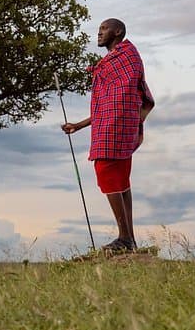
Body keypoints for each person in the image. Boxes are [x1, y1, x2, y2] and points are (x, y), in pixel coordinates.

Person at [62, 18, 154, 253]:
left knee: (108, 173)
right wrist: (79, 125)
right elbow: (106, 104)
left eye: (104, 29)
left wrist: (130, 120)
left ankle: (124, 238)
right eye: (99, 29)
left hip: (117, 127)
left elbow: (125, 99)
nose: (99, 33)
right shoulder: (112, 61)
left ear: (118, 31)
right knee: (120, 181)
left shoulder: (126, 57)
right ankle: (129, 239)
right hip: (112, 125)